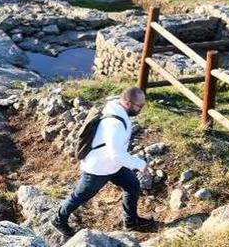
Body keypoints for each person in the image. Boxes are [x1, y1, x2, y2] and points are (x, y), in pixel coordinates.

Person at [51, 87, 155, 238]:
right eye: (139, 106)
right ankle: (58, 220)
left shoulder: (118, 110)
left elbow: (116, 154)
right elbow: (117, 154)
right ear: (127, 102)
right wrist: (140, 164)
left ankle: (131, 221)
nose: (141, 109)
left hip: (113, 165)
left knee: (132, 185)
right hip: (98, 167)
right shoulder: (115, 124)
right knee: (80, 196)